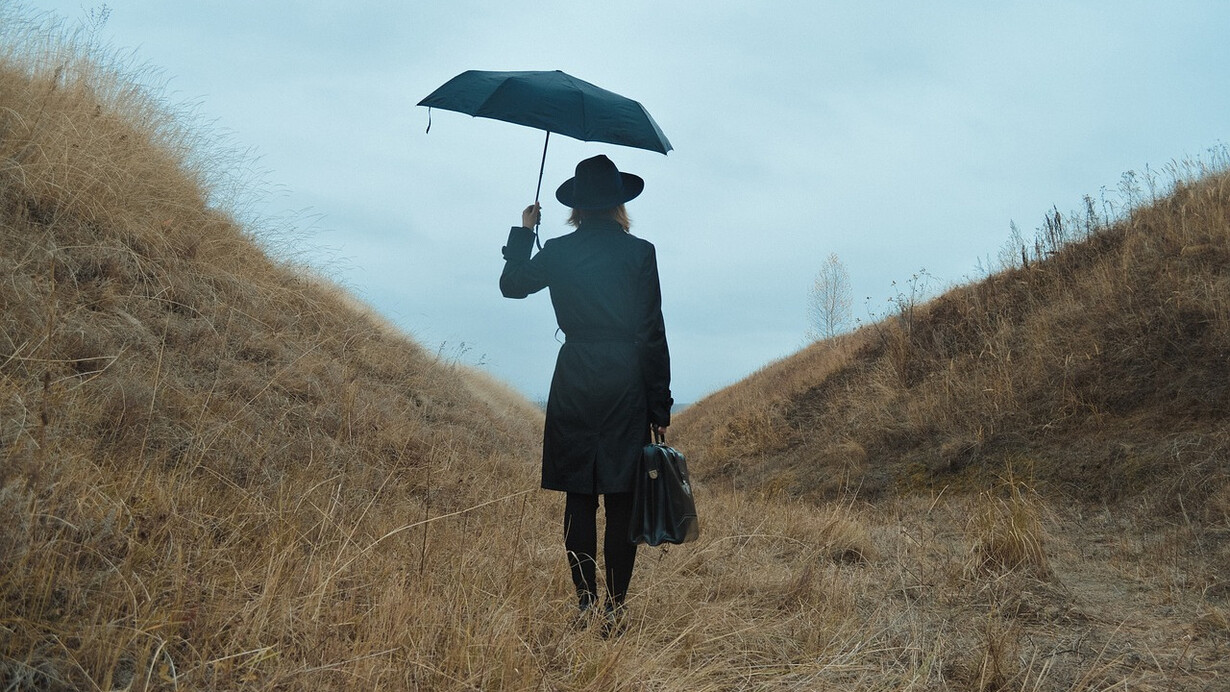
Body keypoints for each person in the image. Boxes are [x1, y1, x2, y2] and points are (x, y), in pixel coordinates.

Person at [499, 154, 672, 636]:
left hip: (574, 374)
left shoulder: (556, 250)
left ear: (576, 206)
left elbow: (512, 286)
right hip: (625, 378)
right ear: (619, 204)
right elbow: (652, 332)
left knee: (579, 495)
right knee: (621, 497)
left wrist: (524, 233)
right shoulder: (640, 253)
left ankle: (585, 605)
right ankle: (614, 613)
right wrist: (660, 405)